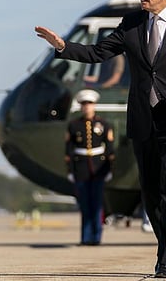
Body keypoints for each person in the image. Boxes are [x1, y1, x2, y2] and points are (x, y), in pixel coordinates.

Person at [36, 0, 166, 278]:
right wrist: (63, 46)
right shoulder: (132, 23)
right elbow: (97, 52)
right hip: (144, 120)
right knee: (149, 192)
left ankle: (165, 262)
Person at [65, 89, 115, 246]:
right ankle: (85, 238)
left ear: (95, 106)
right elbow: (68, 151)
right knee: (84, 204)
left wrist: (108, 170)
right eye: (84, 104)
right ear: (81, 107)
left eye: (90, 104)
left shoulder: (104, 125)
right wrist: (70, 171)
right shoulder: (73, 126)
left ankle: (96, 237)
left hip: (98, 167)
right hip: (81, 169)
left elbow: (110, 150)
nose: (87, 107)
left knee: (97, 204)